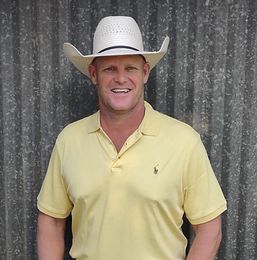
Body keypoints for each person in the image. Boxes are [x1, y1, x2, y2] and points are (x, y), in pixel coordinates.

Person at [37, 16, 227, 260]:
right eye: (109, 69)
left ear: (145, 72)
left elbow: (210, 228)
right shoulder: (69, 140)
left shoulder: (184, 141)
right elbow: (51, 222)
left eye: (130, 68)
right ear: (93, 74)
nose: (121, 79)